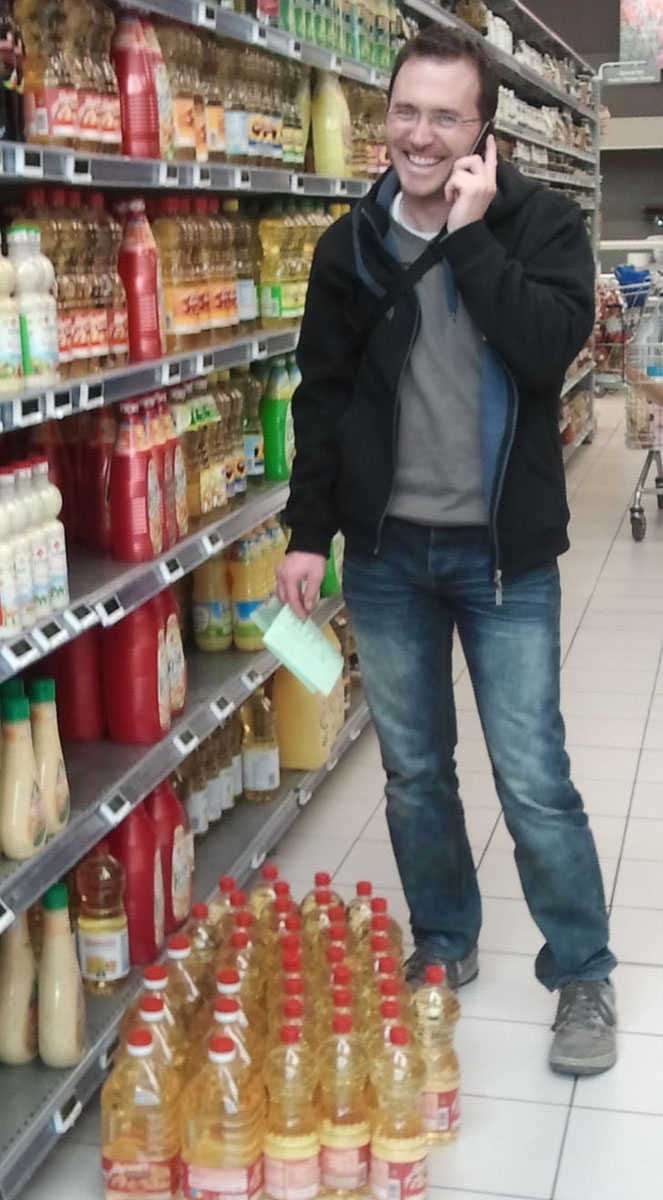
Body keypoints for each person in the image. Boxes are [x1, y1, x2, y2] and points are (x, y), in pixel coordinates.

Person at [276, 24, 617, 1077]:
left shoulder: (541, 224)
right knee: (415, 770)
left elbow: (545, 347)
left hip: (503, 557)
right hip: (387, 558)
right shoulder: (349, 246)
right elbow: (323, 397)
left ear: (483, 133)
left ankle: (581, 971)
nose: (419, 136)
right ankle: (444, 937)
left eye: (445, 118)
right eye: (405, 112)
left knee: (533, 773)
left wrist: (469, 235)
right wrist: (307, 533)